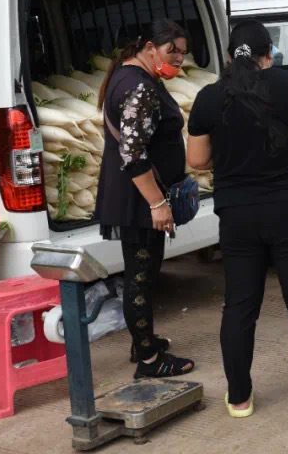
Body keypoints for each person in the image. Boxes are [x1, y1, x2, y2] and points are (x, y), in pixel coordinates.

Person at [185, 21, 288, 416]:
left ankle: (239, 398)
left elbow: (196, 160)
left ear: (228, 57)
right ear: (268, 54)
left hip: (238, 213)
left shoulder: (209, 98)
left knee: (240, 304)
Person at [95, 19, 195, 379]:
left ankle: (143, 341)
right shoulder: (139, 86)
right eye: (173, 51)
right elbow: (133, 153)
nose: (179, 59)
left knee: (146, 272)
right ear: (151, 47)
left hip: (134, 193)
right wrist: (157, 203)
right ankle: (149, 362)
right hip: (139, 196)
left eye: (183, 52)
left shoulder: (128, 76)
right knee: (141, 275)